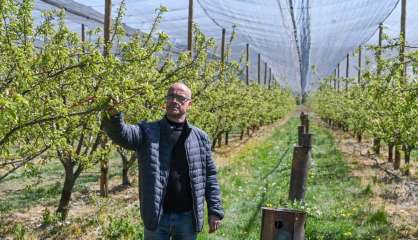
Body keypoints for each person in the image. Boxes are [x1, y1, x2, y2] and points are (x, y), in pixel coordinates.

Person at [102, 82, 224, 239]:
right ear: (165, 102)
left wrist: (215, 210)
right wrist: (114, 116)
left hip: (187, 217)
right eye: (171, 96)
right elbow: (122, 135)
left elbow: (209, 176)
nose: (174, 100)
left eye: (180, 98)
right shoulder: (147, 132)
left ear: (189, 104)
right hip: (157, 217)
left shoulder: (200, 138)